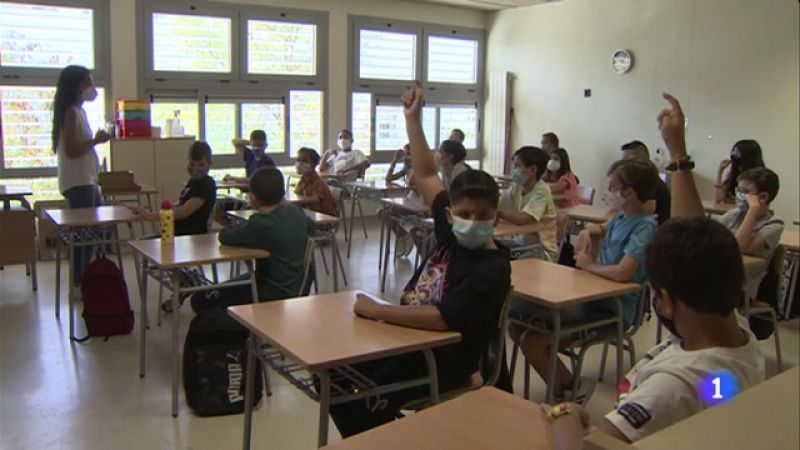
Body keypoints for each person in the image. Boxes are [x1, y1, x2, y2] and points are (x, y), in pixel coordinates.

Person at [549, 94, 765, 448]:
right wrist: (676, 151)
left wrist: (563, 415)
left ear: (663, 300)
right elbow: (696, 237)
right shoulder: (734, 331)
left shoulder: (676, 387)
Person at [328, 86, 511, 438]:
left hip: (442, 358)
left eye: (483, 215)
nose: (472, 221)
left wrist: (377, 310)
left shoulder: (492, 268)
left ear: (496, 218)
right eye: (465, 213)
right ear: (449, 213)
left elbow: (441, 318)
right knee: (332, 373)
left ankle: (388, 437)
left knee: (360, 396)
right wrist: (412, 119)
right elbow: (427, 174)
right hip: (406, 338)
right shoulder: (451, 234)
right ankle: (384, 436)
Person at [509, 158, 659, 402]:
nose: (608, 192)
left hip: (615, 310)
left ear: (629, 192)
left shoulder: (645, 227)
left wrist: (589, 266)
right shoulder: (621, 218)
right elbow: (601, 230)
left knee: (532, 339)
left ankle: (569, 388)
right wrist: (590, 233)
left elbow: (623, 272)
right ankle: (566, 382)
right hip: (591, 299)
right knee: (517, 324)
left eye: (612, 187)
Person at [192, 167, 314, 313]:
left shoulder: (261, 224)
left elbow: (226, 236)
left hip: (269, 292)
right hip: (296, 286)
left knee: (199, 300)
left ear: (252, 198)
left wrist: (226, 222)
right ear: (282, 194)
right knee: (238, 282)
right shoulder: (296, 212)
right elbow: (311, 228)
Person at [52, 65, 111, 289]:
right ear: (77, 86)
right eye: (87, 82)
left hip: (87, 180)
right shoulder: (70, 113)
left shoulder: (78, 112)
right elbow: (72, 150)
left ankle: (88, 276)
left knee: (94, 230)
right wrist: (95, 141)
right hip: (78, 182)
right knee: (83, 235)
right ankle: (80, 282)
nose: (91, 87)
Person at [131, 141, 216, 237]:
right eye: (192, 164)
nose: (196, 169)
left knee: (145, 243)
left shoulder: (206, 184)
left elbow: (185, 211)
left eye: (201, 165)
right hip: (176, 234)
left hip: (190, 237)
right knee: (143, 242)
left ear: (209, 164)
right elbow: (182, 204)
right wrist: (172, 206)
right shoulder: (193, 182)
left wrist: (149, 215)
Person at [496, 146, 558, 260]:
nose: (514, 170)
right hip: (522, 243)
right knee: (492, 247)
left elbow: (525, 219)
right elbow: (500, 201)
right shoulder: (517, 187)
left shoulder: (542, 190)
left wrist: (499, 213)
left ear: (533, 170)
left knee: (512, 264)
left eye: (518, 166)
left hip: (542, 248)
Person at [620, 140, 671, 225]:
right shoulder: (640, 181)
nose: (623, 166)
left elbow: (645, 212)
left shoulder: (651, 182)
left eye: (627, 161)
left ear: (641, 160)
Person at [715, 140, 764, 205]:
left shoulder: (761, 176)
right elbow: (719, 200)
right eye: (734, 151)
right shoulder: (734, 173)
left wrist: (729, 201)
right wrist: (720, 171)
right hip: (731, 212)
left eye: (737, 152)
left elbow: (752, 203)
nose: (733, 154)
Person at [294, 147, 338, 217]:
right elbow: (296, 197)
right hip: (308, 214)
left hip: (322, 217)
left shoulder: (318, 183)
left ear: (314, 165)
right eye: (298, 160)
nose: (300, 164)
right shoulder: (302, 181)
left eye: (305, 161)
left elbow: (313, 203)